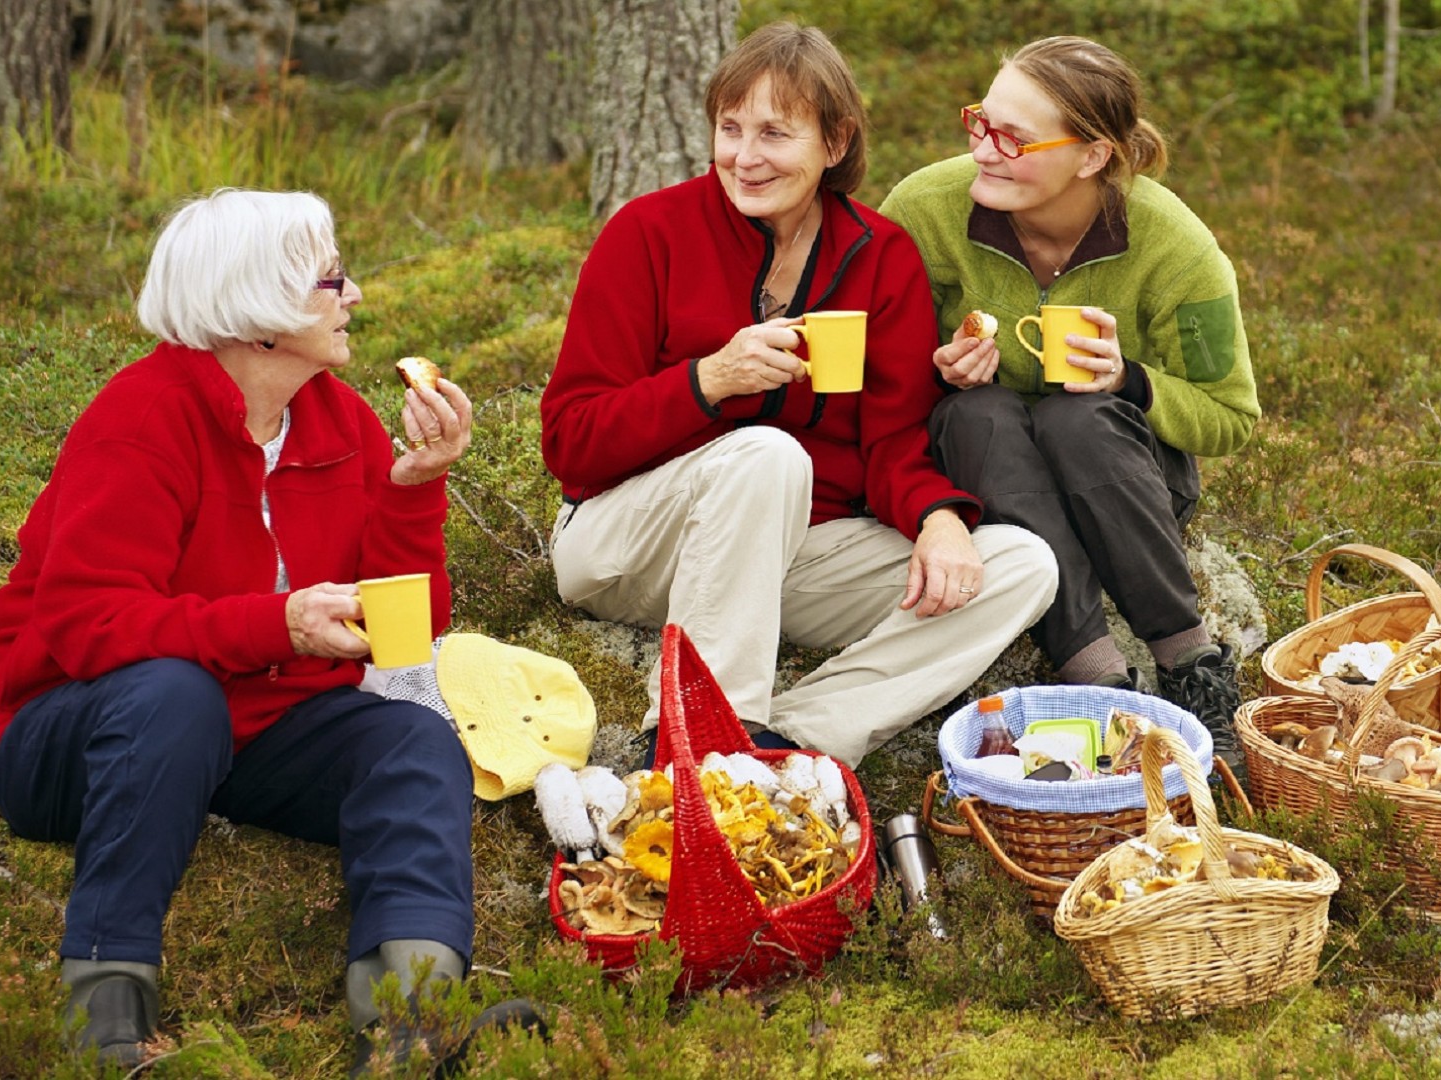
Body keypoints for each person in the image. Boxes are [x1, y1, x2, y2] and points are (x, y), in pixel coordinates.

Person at [0, 189, 537, 1071]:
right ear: (258, 313)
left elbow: (405, 629)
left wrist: (416, 484)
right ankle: (107, 1020)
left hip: (245, 728)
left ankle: (410, 1026)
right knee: (170, 694)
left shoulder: (338, 419)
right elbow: (86, 626)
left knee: (413, 737)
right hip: (63, 730)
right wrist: (281, 623)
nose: (355, 296)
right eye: (329, 278)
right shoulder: (142, 419)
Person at [540, 22, 1058, 767]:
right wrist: (708, 381)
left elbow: (892, 443)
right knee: (767, 454)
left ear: (836, 142)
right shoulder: (647, 234)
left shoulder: (880, 258)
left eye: (775, 134)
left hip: (786, 560)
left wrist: (938, 517)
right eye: (730, 128)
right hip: (624, 546)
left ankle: (791, 739)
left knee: (1018, 565)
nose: (745, 158)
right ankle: (692, 751)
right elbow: (571, 444)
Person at [879, 36, 1261, 770]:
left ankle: (1192, 665)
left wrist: (1132, 381)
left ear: (1091, 156)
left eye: (1014, 138)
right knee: (975, 412)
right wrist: (937, 375)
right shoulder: (923, 212)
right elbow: (877, 377)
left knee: (1075, 414)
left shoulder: (1175, 245)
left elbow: (1231, 415)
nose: (985, 149)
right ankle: (1098, 681)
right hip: (984, 470)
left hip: (1124, 482)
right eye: (978, 123)